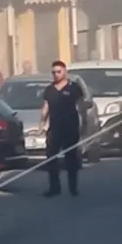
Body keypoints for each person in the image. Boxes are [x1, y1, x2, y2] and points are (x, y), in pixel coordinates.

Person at [38, 61, 84, 197]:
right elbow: (45, 107)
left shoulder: (74, 88)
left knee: (71, 159)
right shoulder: (49, 90)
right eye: (54, 72)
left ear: (65, 72)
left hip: (70, 128)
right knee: (51, 158)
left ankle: (73, 188)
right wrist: (42, 124)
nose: (56, 75)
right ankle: (54, 188)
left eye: (59, 72)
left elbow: (81, 105)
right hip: (55, 129)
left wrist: (84, 122)